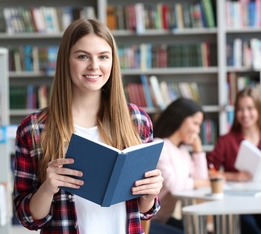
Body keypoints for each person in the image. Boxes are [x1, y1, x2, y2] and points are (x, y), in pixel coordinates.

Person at [13, 18, 164, 234]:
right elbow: (27, 217)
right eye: (83, 56)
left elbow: (143, 211)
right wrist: (48, 187)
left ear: (113, 62)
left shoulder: (137, 121)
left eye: (103, 56)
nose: (94, 66)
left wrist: (150, 193)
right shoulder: (34, 129)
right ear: (66, 60)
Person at [207, 86, 261, 234]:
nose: (245, 114)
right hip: (237, 205)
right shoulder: (226, 141)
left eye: (250, 108)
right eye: (240, 109)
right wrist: (233, 176)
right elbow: (208, 170)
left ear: (258, 110)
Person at [150, 97, 210, 233]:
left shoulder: (182, 151)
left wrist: (198, 149)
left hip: (162, 219)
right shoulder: (159, 145)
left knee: (201, 231)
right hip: (147, 221)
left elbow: (201, 179)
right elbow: (174, 185)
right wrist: (198, 183)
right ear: (180, 118)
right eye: (195, 123)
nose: (197, 130)